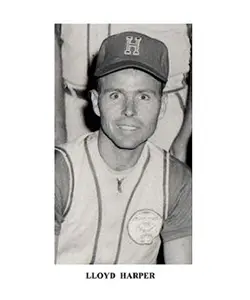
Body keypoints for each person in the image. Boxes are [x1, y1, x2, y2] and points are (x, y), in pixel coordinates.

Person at [55, 31, 192, 264]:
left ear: (162, 105)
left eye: (144, 97)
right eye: (116, 95)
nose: (129, 110)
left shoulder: (176, 180)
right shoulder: (60, 171)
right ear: (97, 103)